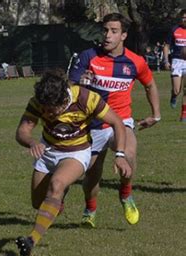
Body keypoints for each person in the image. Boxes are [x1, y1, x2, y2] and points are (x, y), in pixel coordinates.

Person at [15, 69, 131, 256]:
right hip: (48, 150)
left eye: (51, 110)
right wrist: (32, 142)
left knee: (57, 184)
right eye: (44, 109)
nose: (47, 113)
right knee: (38, 202)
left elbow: (117, 123)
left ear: (63, 100)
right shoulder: (39, 101)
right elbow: (21, 132)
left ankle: (31, 240)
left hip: (77, 152)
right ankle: (57, 201)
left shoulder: (86, 99)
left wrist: (120, 154)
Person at [69, 13, 161, 228]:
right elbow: (70, 85)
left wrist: (156, 114)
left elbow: (150, 85)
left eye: (113, 31)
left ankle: (126, 195)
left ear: (124, 36)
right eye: (105, 30)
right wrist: (80, 83)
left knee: (128, 153)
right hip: (93, 125)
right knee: (92, 173)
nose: (107, 35)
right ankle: (90, 210)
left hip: (121, 120)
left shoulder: (135, 61)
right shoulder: (88, 56)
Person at [163, 8, 186, 121]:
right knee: (177, 90)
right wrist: (166, 61)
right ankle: (174, 96)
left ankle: (184, 114)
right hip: (177, 61)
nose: (185, 20)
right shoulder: (174, 30)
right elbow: (166, 46)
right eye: (183, 18)